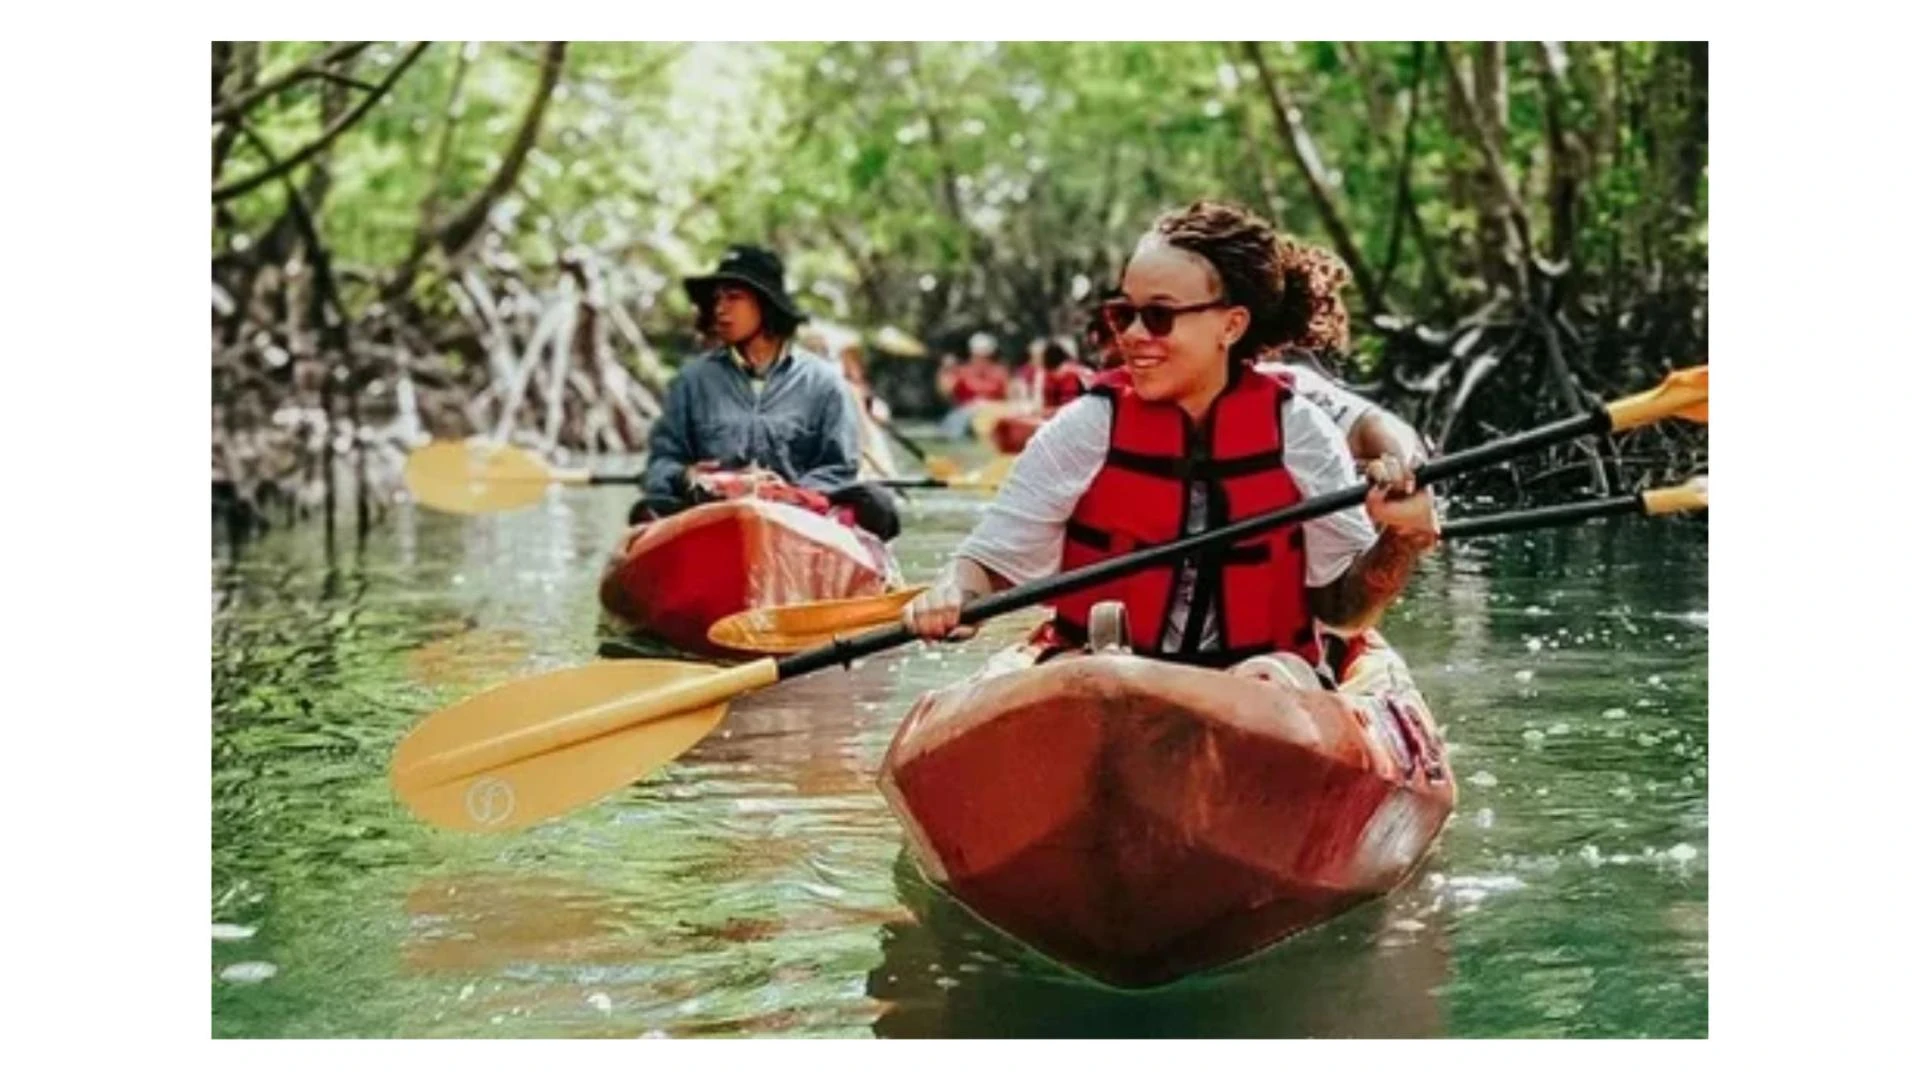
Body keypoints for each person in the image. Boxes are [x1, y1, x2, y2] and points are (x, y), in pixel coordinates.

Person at [901, 201, 1438, 687]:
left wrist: (1402, 537)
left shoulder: (1300, 431)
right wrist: (953, 592)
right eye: (1123, 313)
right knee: (1093, 674)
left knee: (1274, 675)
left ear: (1230, 325)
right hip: (1110, 675)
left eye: (1158, 316)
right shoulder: (1086, 427)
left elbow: (1345, 613)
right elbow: (984, 563)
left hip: (1262, 683)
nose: (1132, 335)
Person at [626, 244, 901, 540]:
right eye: (717, 299)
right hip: (709, 515)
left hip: (799, 519)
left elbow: (838, 468)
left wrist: (785, 493)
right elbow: (660, 464)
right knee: (647, 509)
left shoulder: (825, 383)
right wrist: (688, 476)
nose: (720, 309)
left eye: (734, 298)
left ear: (766, 305)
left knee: (878, 506)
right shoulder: (690, 382)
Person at [936, 332, 1011, 438]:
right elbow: (945, 392)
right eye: (978, 354)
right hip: (966, 413)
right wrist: (945, 370)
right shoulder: (962, 371)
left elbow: (1010, 396)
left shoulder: (1000, 372)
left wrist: (988, 405)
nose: (981, 358)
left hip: (993, 414)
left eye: (985, 355)